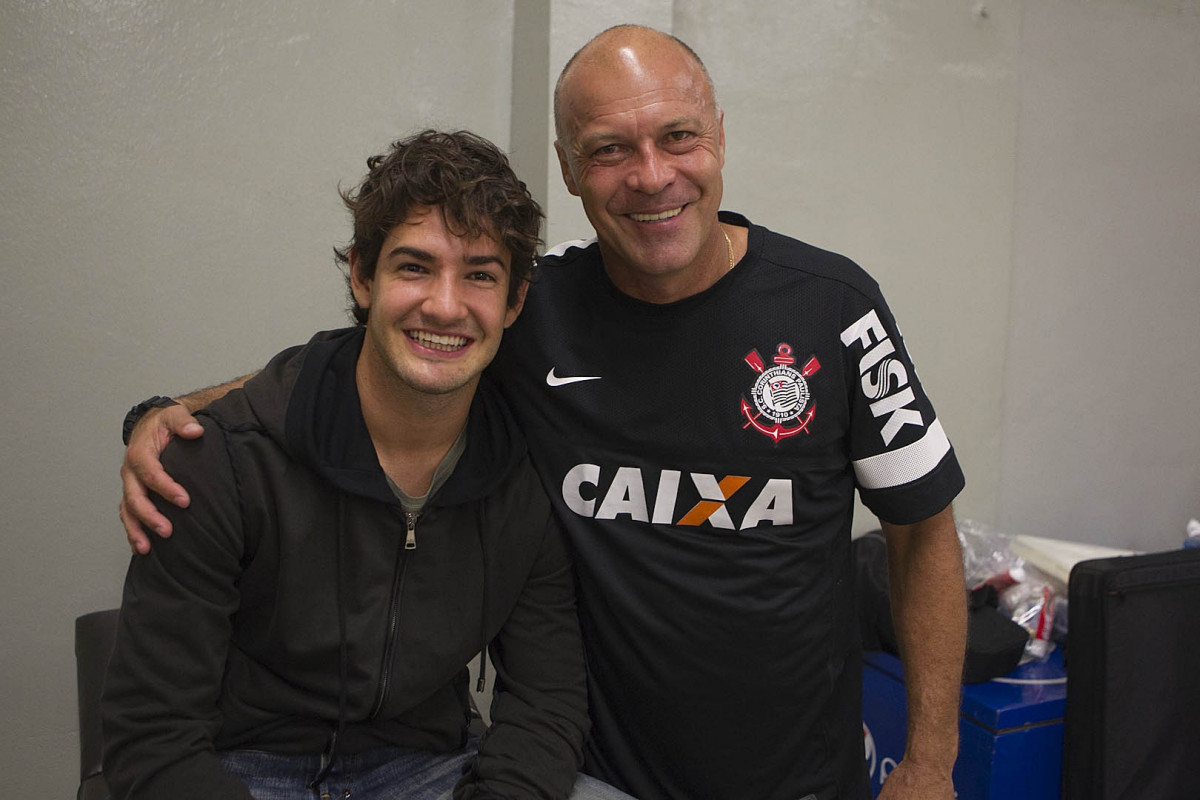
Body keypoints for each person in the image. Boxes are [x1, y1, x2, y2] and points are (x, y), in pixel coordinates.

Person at [119, 26, 968, 800]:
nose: (651, 174)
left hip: (798, 779)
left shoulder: (834, 310)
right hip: (603, 770)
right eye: (609, 149)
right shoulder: (536, 308)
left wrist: (929, 764)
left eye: (678, 136)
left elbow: (924, 528)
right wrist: (172, 417)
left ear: (718, 137)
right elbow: (355, 364)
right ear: (568, 167)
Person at [101, 130, 635, 800]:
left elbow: (546, 705)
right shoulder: (221, 462)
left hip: (422, 767)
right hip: (236, 764)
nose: (445, 305)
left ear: (513, 302)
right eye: (414, 267)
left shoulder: (523, 480)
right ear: (362, 275)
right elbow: (151, 738)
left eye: (479, 274)